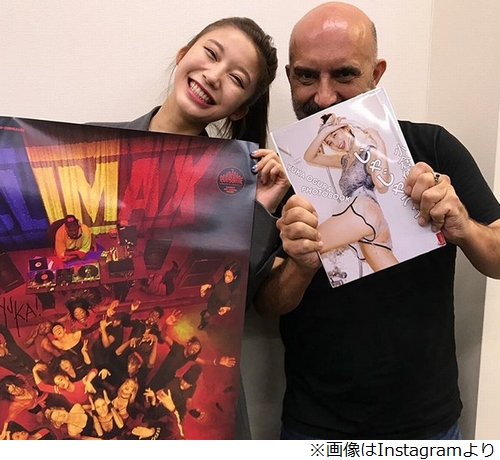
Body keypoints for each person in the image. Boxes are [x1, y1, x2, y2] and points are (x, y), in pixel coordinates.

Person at [254, 2, 500, 440]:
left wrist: (462, 223)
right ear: (290, 77)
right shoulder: (280, 180)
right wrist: (301, 265)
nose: (323, 97)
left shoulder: (431, 147)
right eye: (307, 76)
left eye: (344, 74)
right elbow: (266, 305)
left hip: (428, 426)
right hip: (316, 425)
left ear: (376, 73)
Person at [90, 17, 289, 439]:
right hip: (103, 381)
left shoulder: (234, 183)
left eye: (236, 78)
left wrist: (259, 208)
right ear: (183, 54)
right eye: (211, 54)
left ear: (240, 109)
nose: (214, 76)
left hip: (190, 402)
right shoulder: (90, 152)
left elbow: (232, 302)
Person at [303, 113, 398, 271]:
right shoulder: (344, 160)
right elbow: (309, 157)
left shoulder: (369, 153)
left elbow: (382, 184)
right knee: (394, 277)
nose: (335, 143)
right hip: (366, 220)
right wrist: (326, 131)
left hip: (364, 212)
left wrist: (379, 142)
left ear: (346, 128)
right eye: (329, 142)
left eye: (335, 135)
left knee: (309, 246)